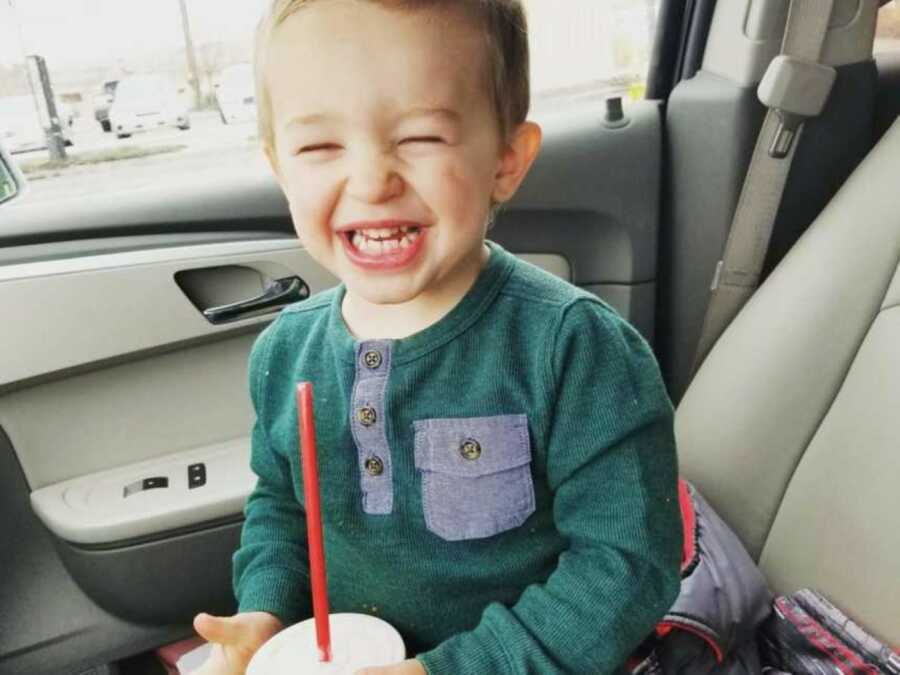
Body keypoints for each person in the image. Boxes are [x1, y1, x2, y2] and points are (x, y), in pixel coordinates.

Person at [192, 1, 682, 673]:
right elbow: (281, 508)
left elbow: (626, 567)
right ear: (280, 168)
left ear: (507, 160)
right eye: (319, 146)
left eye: (420, 137)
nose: (370, 180)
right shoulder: (284, 355)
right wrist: (269, 615)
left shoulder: (574, 349)